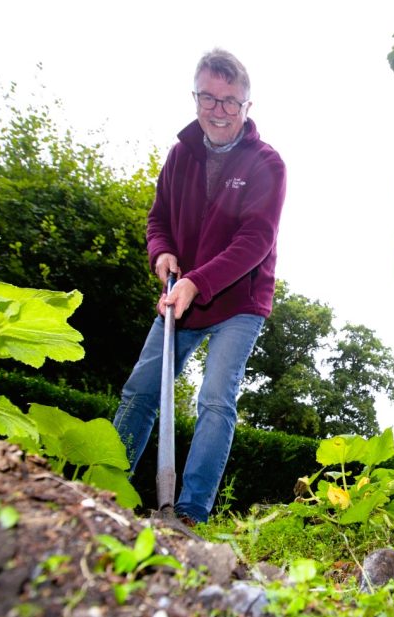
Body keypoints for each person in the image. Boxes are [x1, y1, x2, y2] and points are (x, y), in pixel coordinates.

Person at [112, 48, 286, 525]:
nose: (219, 110)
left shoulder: (266, 164)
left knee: (214, 396)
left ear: (247, 106)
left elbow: (256, 240)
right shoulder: (180, 154)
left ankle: (189, 513)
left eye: (231, 101)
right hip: (181, 293)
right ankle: (101, 487)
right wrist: (161, 253)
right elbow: (158, 219)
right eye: (208, 98)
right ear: (195, 98)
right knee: (141, 390)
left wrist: (196, 281)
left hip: (239, 299)